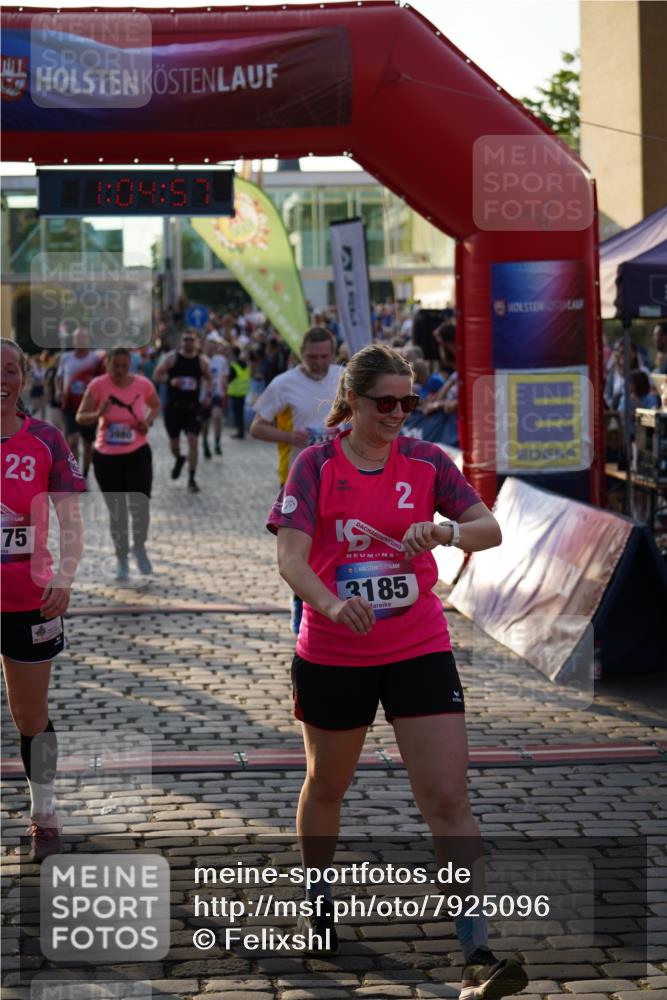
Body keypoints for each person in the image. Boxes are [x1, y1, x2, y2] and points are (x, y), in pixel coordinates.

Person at [267, 343, 527, 1000]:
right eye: (385, 402)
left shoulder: (427, 461)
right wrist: (329, 603)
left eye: (407, 402)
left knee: (446, 799)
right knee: (327, 787)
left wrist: (442, 533)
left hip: (417, 644)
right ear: (352, 401)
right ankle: (319, 895)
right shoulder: (314, 465)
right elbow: (291, 558)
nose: (397, 413)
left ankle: (476, 950)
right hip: (334, 650)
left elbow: (487, 527)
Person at [1, 338, 85, 863]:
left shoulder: (46, 440)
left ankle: (45, 812)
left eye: (10, 370)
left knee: (30, 717)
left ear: (24, 379)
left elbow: (70, 520)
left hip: (27, 600)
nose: (1, 380)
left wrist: (66, 576)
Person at [251, 326, 344, 632]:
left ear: (333, 353)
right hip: (299, 477)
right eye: (312, 356)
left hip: (344, 474)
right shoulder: (284, 383)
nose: (318, 362)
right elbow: (257, 427)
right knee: (300, 547)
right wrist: (291, 436)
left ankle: (335, 601)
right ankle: (299, 600)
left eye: (324, 356)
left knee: (335, 542)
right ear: (301, 354)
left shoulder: (345, 376)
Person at [76, 348, 161, 580]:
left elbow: (155, 406)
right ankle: (121, 558)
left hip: (138, 453)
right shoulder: (98, 385)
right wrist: (97, 414)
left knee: (140, 507)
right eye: (116, 366)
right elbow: (80, 416)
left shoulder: (143, 384)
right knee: (118, 512)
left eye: (125, 366)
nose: (121, 371)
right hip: (107, 457)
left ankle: (140, 547)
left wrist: (148, 422)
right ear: (107, 365)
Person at [154, 331, 212, 493]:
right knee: (174, 444)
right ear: (181, 342)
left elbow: (209, 379)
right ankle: (179, 458)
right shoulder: (172, 359)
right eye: (185, 339)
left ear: (196, 342)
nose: (188, 342)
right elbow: (157, 375)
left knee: (193, 441)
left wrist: (208, 395)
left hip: (193, 408)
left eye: (191, 340)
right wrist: (170, 380)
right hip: (174, 407)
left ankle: (192, 479)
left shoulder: (201, 362)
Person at [55, 328, 105, 477]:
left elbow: (104, 377)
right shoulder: (66, 358)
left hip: (89, 406)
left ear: (89, 341)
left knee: (88, 444)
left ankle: (85, 473)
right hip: (70, 405)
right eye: (78, 339)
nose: (80, 342)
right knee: (74, 440)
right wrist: (58, 390)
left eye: (83, 339)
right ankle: (75, 475)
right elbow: (58, 377)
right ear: (74, 341)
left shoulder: (96, 359)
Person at [200, 332, 228, 459]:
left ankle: (217, 442)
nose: (210, 348)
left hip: (217, 393)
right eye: (208, 346)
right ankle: (205, 443)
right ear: (205, 346)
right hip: (203, 395)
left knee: (217, 416)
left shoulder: (221, 360)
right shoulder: (200, 359)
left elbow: (225, 376)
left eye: (213, 346)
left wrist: (225, 387)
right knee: (205, 422)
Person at [227, 346, 251, 439]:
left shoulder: (234, 365)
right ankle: (241, 431)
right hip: (243, 392)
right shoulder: (244, 364)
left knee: (237, 414)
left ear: (233, 354)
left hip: (235, 393)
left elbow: (230, 379)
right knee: (240, 413)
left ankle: (240, 433)